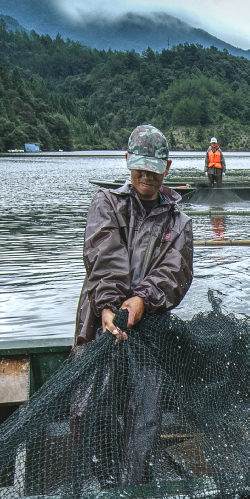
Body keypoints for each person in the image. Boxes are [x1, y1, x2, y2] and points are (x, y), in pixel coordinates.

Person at [75, 124, 194, 346]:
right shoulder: (106, 204)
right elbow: (104, 258)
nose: (147, 175)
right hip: (100, 325)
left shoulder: (180, 224)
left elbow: (175, 274)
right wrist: (109, 307)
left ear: (167, 167)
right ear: (127, 159)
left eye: (154, 169)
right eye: (140, 167)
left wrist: (142, 299)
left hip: (150, 331)